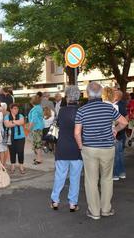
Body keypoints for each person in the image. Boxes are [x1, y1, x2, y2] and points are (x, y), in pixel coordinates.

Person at [74, 82, 128, 220]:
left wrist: (81, 147)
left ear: (87, 94)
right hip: (108, 148)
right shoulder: (108, 108)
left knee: (91, 180)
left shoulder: (82, 110)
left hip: (89, 149)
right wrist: (115, 130)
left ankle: (95, 212)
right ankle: (106, 209)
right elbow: (124, 122)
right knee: (107, 178)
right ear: (101, 93)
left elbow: (77, 133)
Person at [50, 86, 83, 212]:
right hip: (76, 148)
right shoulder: (81, 111)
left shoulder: (62, 111)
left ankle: (55, 201)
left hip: (62, 147)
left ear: (67, 97)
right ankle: (73, 204)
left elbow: (57, 126)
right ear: (78, 97)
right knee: (75, 177)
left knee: (60, 175)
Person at [4, 103, 26, 174]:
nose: (16, 110)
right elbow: (7, 124)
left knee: (20, 151)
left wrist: (13, 121)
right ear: (11, 109)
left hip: (21, 137)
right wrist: (17, 122)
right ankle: (12, 165)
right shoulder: (7, 116)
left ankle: (21, 166)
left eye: (17, 108)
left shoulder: (20, 115)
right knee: (12, 151)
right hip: (11, 137)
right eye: (14, 108)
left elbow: (22, 122)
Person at [112, 90, 128, 181]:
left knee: (116, 155)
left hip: (117, 133)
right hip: (120, 132)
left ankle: (115, 173)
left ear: (116, 96)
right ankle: (121, 172)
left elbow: (125, 119)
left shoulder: (117, 106)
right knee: (120, 154)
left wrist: (116, 128)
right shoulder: (121, 105)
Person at [28, 95, 44, 165]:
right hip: (39, 127)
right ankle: (38, 157)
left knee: (37, 144)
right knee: (38, 144)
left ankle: (39, 159)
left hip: (36, 128)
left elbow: (33, 120)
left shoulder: (35, 109)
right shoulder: (39, 108)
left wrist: (29, 128)